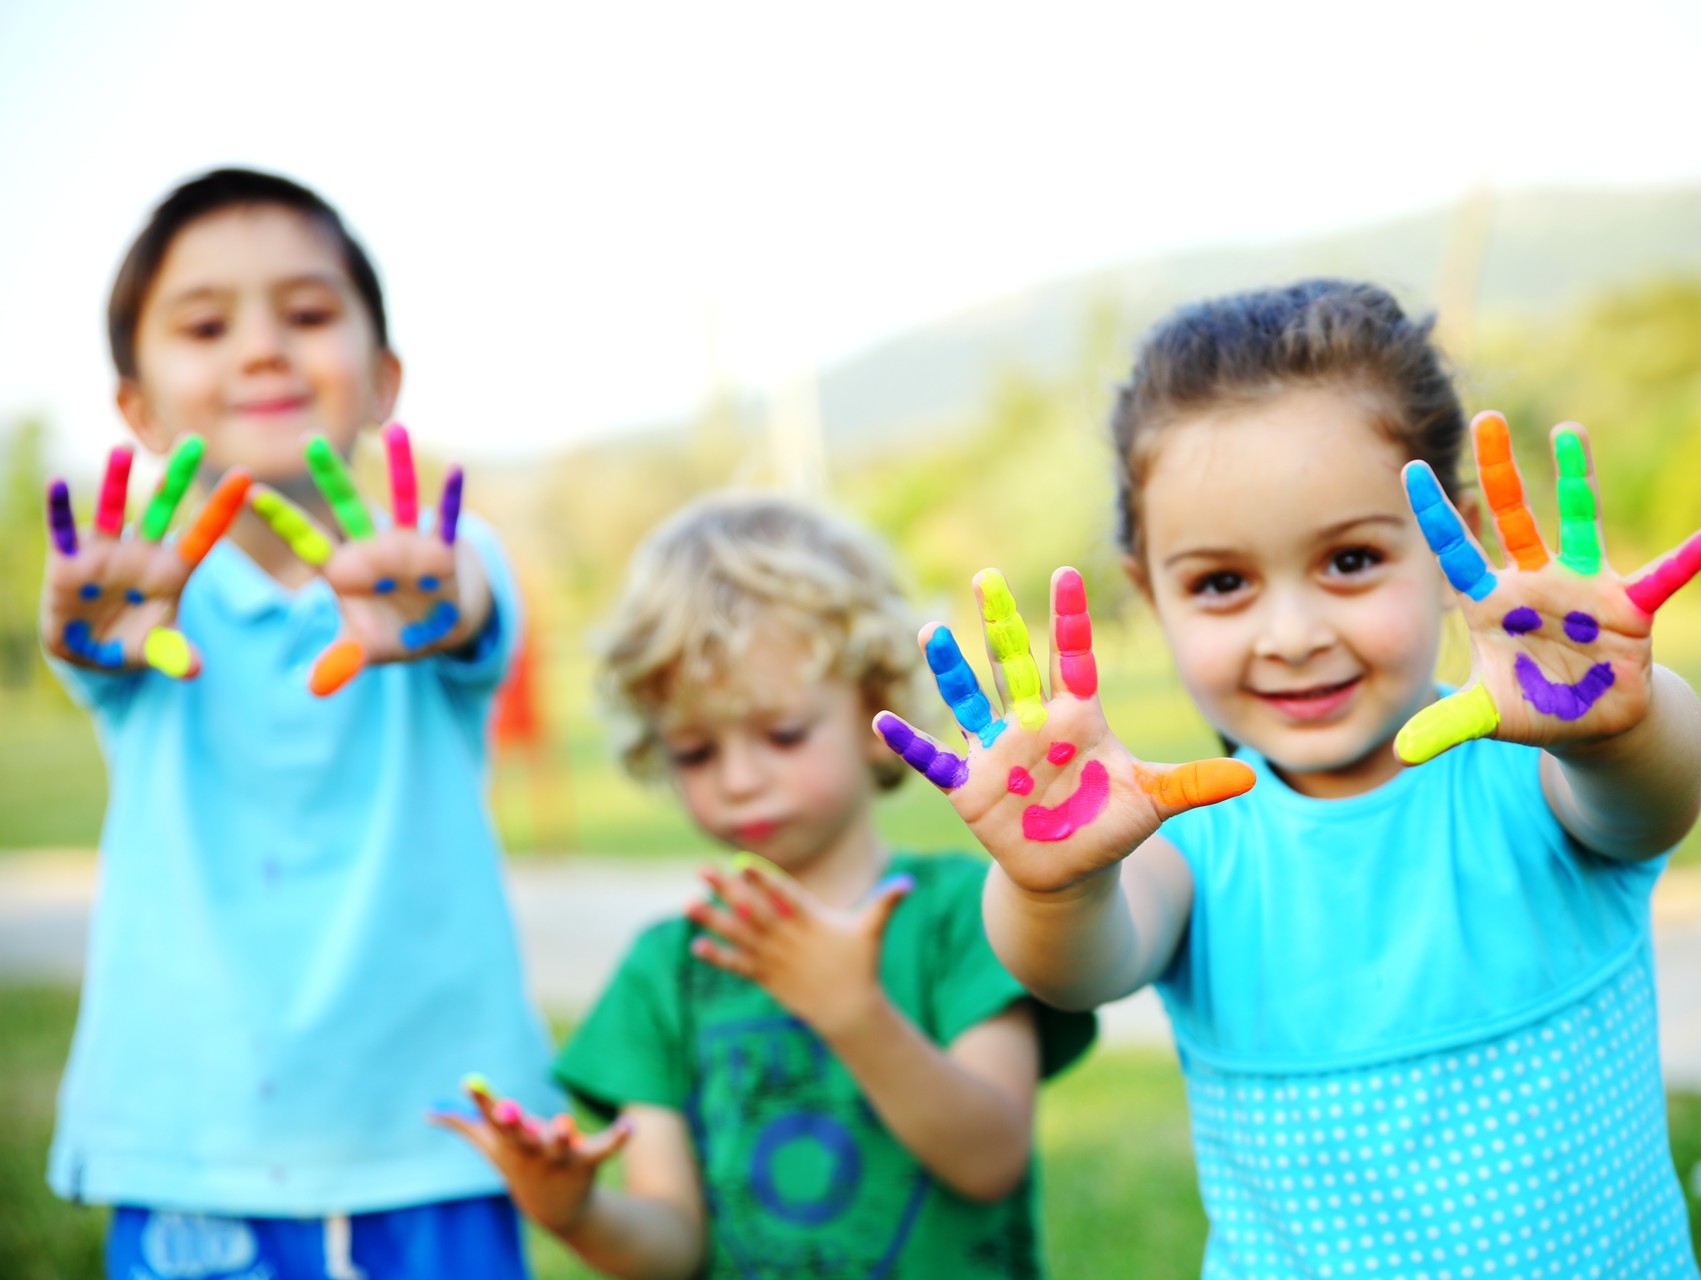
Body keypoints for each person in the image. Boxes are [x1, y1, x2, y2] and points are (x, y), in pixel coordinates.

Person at [876, 280, 1701, 1278]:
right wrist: (1050, 877)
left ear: (1452, 547)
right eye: (1221, 583)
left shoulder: (1539, 779)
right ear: (1148, 591)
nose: (1292, 635)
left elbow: (1651, 793)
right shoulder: (1189, 846)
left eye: (1352, 559)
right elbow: (1078, 961)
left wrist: (1620, 724)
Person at [40, 167, 554, 1279]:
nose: (264, 347)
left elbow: (463, 605)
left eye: (309, 312)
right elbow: (89, 639)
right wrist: (83, 626)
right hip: (196, 1148)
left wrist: (439, 595)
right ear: (136, 407)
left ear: (383, 380)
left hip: (435, 1143)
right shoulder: (140, 605)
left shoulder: (442, 576)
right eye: (207, 323)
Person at [434, 492, 1095, 1279]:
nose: (740, 779)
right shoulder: (665, 972)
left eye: (782, 734)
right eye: (693, 751)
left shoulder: (970, 913)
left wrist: (853, 1012)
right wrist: (575, 1211)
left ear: (875, 709)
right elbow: (673, 1248)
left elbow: (990, 1159)